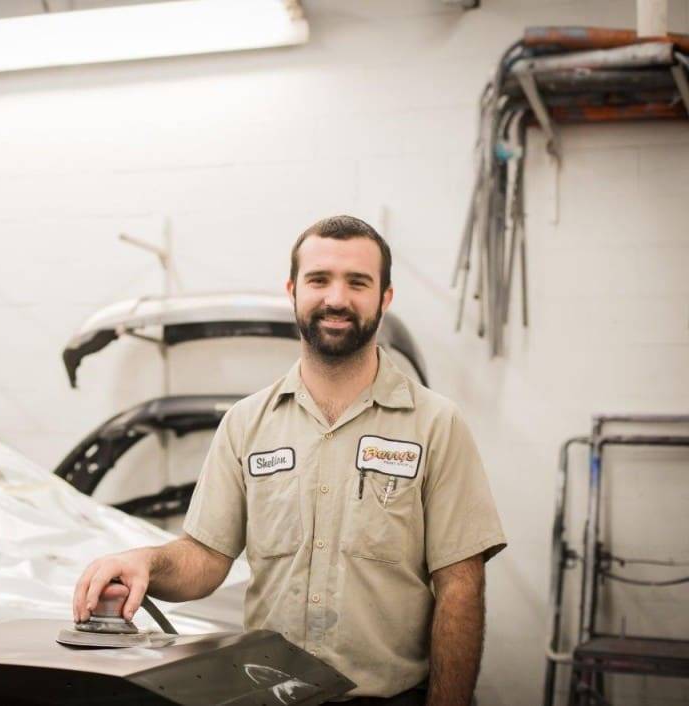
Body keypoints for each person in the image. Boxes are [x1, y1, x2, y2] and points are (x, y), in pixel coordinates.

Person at [72, 215, 507, 705]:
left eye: (357, 282)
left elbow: (461, 587)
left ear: (385, 298)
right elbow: (206, 557)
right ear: (293, 291)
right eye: (319, 280)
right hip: (266, 695)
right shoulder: (245, 423)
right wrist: (145, 563)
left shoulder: (435, 425)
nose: (336, 299)